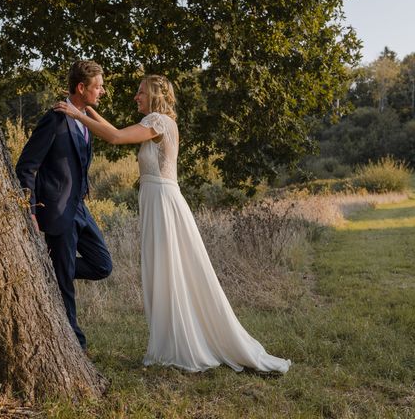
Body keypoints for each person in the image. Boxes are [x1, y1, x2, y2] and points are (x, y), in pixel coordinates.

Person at [53, 75, 290, 372]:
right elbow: (113, 130)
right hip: (157, 200)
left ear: (153, 94)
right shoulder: (157, 121)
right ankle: (172, 338)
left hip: (163, 202)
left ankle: (181, 345)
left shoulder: (159, 121)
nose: (135, 97)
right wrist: (87, 112)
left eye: (140, 92)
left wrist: (77, 114)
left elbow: (115, 137)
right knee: (165, 269)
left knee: (169, 268)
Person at [16, 60, 112, 351]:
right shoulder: (56, 119)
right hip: (57, 210)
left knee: (102, 265)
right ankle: (75, 343)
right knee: (66, 286)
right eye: (98, 87)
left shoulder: (82, 118)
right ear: (81, 88)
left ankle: (53, 268)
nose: (103, 92)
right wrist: (30, 211)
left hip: (80, 209)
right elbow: (26, 167)